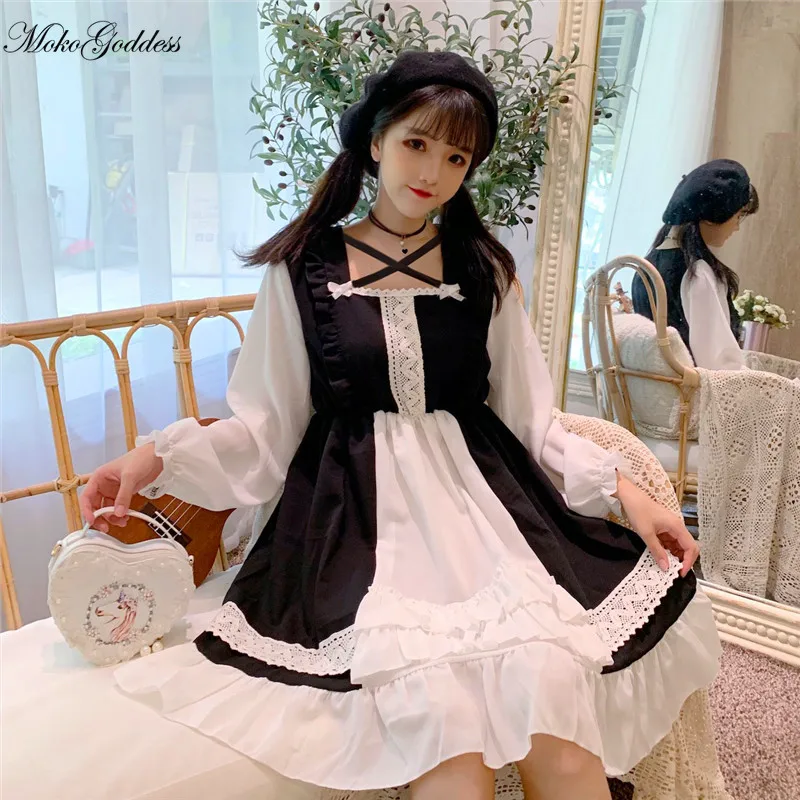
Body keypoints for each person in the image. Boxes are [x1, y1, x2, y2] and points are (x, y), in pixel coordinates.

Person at [81, 51, 720, 800]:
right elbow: (264, 428)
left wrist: (627, 495)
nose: (433, 171)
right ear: (376, 140)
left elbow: (530, 419)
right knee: (443, 735)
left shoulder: (483, 269)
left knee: (559, 711)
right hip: (357, 534)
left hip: (489, 526)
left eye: (456, 157)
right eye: (417, 143)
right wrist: (153, 457)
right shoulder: (302, 268)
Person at [632, 159, 759, 370]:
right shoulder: (697, 273)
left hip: (653, 388)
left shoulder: (645, 267)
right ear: (712, 216)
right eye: (738, 217)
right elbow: (719, 363)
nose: (736, 227)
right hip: (691, 388)